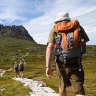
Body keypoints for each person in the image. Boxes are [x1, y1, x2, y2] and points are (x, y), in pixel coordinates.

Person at [46, 12, 89, 96]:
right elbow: (85, 41)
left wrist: (48, 66)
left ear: (57, 20)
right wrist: (81, 52)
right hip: (76, 63)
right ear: (68, 19)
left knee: (62, 88)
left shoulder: (54, 29)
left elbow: (49, 47)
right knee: (79, 91)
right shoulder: (78, 27)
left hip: (61, 65)